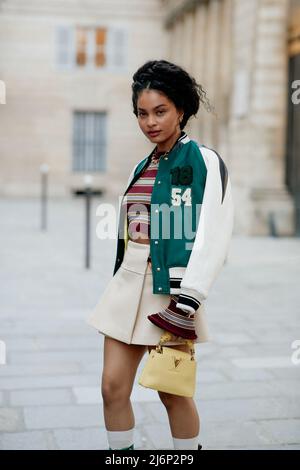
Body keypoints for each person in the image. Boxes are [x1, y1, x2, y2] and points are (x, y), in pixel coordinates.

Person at [87, 59, 234, 451]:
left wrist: (187, 302)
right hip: (128, 284)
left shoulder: (203, 162)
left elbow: (213, 235)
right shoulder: (142, 165)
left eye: (160, 111)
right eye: (142, 113)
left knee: (172, 391)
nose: (150, 122)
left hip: (172, 291)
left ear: (181, 109)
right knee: (111, 387)